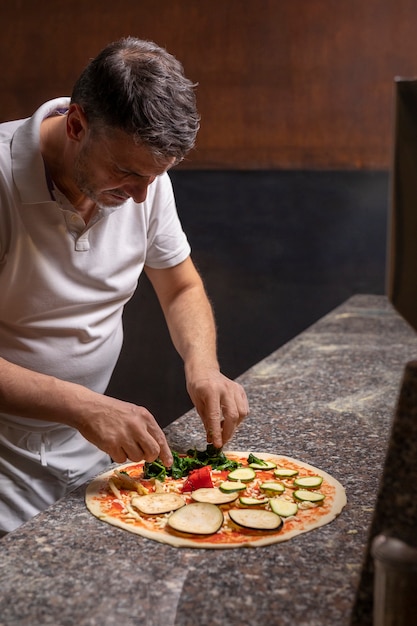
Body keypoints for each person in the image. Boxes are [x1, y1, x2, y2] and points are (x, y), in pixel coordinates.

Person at [0, 37, 249, 535]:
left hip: (87, 441)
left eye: (154, 178)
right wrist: (81, 404)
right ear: (75, 124)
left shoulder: (146, 181)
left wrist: (204, 366)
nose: (139, 197)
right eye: (126, 173)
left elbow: (180, 286)